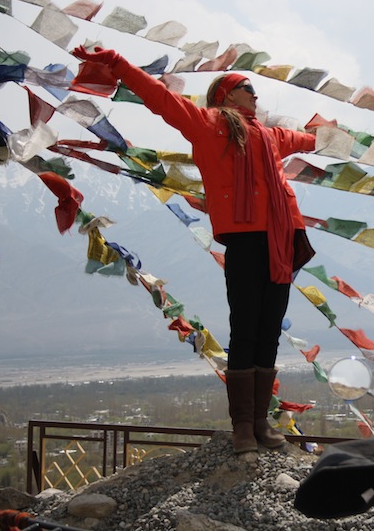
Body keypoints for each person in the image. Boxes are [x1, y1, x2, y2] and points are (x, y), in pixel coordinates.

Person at [72, 45, 317, 454]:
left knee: (269, 329)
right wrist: (117, 63)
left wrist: (355, 143)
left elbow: (311, 140)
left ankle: (260, 424)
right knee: (246, 327)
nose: (256, 96)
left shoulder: (273, 137)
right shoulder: (208, 125)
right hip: (244, 239)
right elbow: (158, 97)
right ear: (225, 95)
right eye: (247, 88)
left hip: (282, 239)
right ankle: (242, 427)